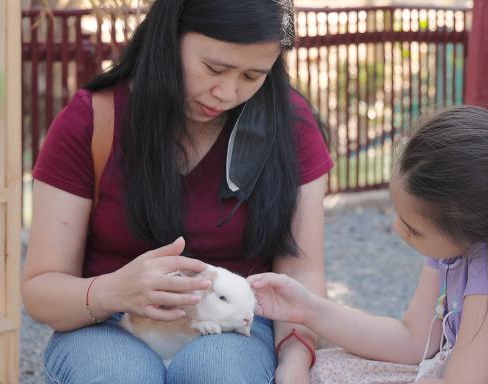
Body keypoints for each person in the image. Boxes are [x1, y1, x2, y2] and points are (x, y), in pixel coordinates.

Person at [21, 0, 333, 383]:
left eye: (252, 76)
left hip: (234, 325)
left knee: (220, 373)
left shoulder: (291, 126)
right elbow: (41, 289)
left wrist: (295, 361)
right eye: (214, 68)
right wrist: (112, 292)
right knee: (119, 376)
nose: (226, 92)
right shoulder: (92, 120)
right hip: (110, 324)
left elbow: (302, 272)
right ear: (168, 39)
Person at [248, 106, 488, 384]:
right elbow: (413, 340)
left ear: (466, 227)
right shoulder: (460, 243)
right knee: (326, 370)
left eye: (414, 229)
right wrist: (307, 308)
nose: (399, 232)